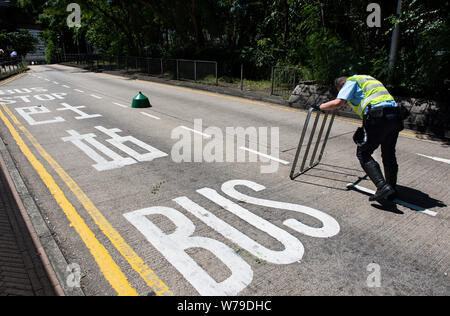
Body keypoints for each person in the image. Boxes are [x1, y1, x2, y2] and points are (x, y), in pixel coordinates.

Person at [313, 75, 404, 202]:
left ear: (341, 86)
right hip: (395, 115)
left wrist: (320, 106)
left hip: (378, 116)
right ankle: (391, 189)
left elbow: (339, 102)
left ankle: (382, 186)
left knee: (363, 153)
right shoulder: (368, 79)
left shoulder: (350, 82)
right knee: (389, 154)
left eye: (341, 90)